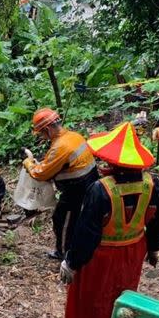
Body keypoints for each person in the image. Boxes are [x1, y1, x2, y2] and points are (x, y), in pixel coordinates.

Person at [60, 121, 159, 318]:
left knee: (89, 294)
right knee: (123, 291)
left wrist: (72, 262)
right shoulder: (153, 185)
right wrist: (154, 247)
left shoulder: (101, 189)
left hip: (100, 253)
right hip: (133, 248)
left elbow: (86, 232)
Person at [24, 108, 98, 259]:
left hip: (76, 190)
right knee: (81, 219)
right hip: (91, 182)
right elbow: (57, 162)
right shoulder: (73, 136)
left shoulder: (60, 146)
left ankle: (64, 253)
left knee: (62, 220)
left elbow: (41, 174)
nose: (41, 137)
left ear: (47, 129)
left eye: (41, 133)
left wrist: (29, 164)